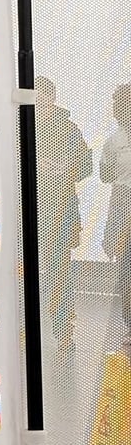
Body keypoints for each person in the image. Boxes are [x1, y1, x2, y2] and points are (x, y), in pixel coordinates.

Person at [34, 76, 92, 353]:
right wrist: (35, 164)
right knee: (22, 271)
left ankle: (63, 331)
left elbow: (86, 168)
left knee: (59, 271)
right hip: (27, 210)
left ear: (52, 99)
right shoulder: (21, 126)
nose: (40, 103)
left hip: (60, 210)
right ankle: (23, 328)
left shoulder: (69, 129)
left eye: (44, 97)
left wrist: (62, 168)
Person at [99, 82, 131, 341]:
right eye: (117, 105)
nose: (118, 109)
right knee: (125, 269)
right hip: (122, 199)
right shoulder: (115, 140)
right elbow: (105, 176)